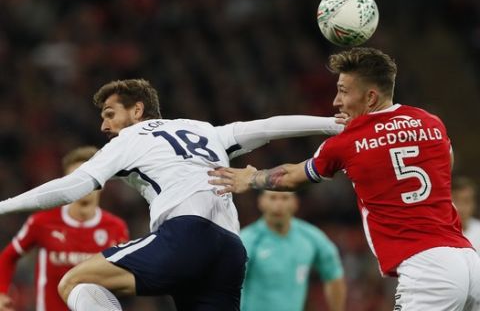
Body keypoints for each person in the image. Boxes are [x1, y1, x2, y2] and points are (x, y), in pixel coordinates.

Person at [0, 79, 345, 311]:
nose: (104, 126)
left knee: (75, 280)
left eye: (110, 114)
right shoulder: (204, 130)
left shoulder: (130, 139)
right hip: (230, 251)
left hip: (185, 235)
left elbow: (77, 184)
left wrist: (6, 205)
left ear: (137, 111)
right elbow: (269, 127)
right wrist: (335, 124)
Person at [209, 47, 480, 310]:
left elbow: (290, 178)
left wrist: (252, 177)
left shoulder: (349, 141)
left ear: (371, 97)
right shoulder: (431, 122)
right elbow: (447, 163)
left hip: (427, 269)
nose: (336, 101)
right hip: (469, 260)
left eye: (343, 91)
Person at [0, 146, 129, 311]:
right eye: (74, 180)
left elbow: (122, 278)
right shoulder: (42, 221)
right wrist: (1, 292)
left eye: (88, 179)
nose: (81, 186)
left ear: (102, 182)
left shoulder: (116, 228)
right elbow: (8, 256)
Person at [240, 190, 346, 311]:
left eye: (285, 198)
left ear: (295, 203)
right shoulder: (248, 240)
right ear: (261, 202)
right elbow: (229, 286)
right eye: (272, 198)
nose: (278, 205)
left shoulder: (311, 237)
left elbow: (334, 273)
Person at [452, 176, 480, 252]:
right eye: (456, 201)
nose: (461, 208)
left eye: (466, 201)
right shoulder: (438, 234)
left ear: (474, 204)